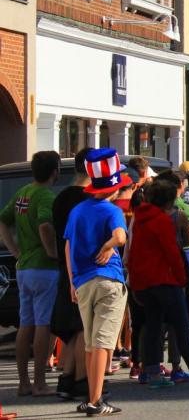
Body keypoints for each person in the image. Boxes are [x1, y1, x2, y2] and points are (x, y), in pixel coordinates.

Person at [129, 178, 189, 390]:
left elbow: (133, 253)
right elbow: (172, 253)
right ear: (169, 200)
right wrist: (182, 278)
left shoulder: (140, 219)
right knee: (181, 327)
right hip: (164, 280)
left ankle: (153, 372)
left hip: (144, 282)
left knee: (153, 327)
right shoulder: (162, 220)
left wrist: (135, 282)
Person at [64, 149, 131, 416]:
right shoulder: (111, 211)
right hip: (109, 280)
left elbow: (68, 246)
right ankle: (96, 400)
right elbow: (121, 237)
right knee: (103, 342)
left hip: (82, 280)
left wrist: (72, 282)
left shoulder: (78, 211)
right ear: (114, 189)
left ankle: (92, 397)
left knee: (91, 343)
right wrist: (108, 246)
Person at [0, 150, 61, 397]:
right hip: (43, 268)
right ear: (55, 171)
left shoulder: (22, 192)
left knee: (26, 324)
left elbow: (3, 220)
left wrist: (15, 250)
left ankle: (24, 382)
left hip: (24, 266)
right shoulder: (46, 195)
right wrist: (53, 252)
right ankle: (39, 383)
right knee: (43, 324)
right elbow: (46, 226)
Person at [50, 149, 93, 400]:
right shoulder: (84, 200)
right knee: (81, 329)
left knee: (73, 329)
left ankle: (67, 379)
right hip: (82, 268)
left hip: (66, 267)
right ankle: (81, 382)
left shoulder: (61, 197)